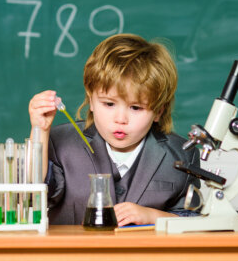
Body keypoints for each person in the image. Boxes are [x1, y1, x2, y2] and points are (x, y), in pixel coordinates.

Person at [29, 33, 201, 226]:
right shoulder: (58, 141)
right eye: (109, 104)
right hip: (73, 256)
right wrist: (40, 132)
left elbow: (195, 221)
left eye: (136, 108)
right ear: (91, 100)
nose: (120, 119)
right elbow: (31, 199)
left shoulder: (182, 155)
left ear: (158, 111)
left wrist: (151, 216)